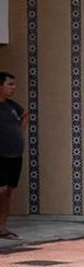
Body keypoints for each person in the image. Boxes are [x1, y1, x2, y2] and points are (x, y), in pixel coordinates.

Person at [0, 72, 26, 239]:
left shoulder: (12, 106)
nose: (13, 88)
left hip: (15, 156)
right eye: (10, 84)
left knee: (9, 191)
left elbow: (25, 115)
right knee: (1, 190)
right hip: (0, 156)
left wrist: (18, 131)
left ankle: (2, 227)